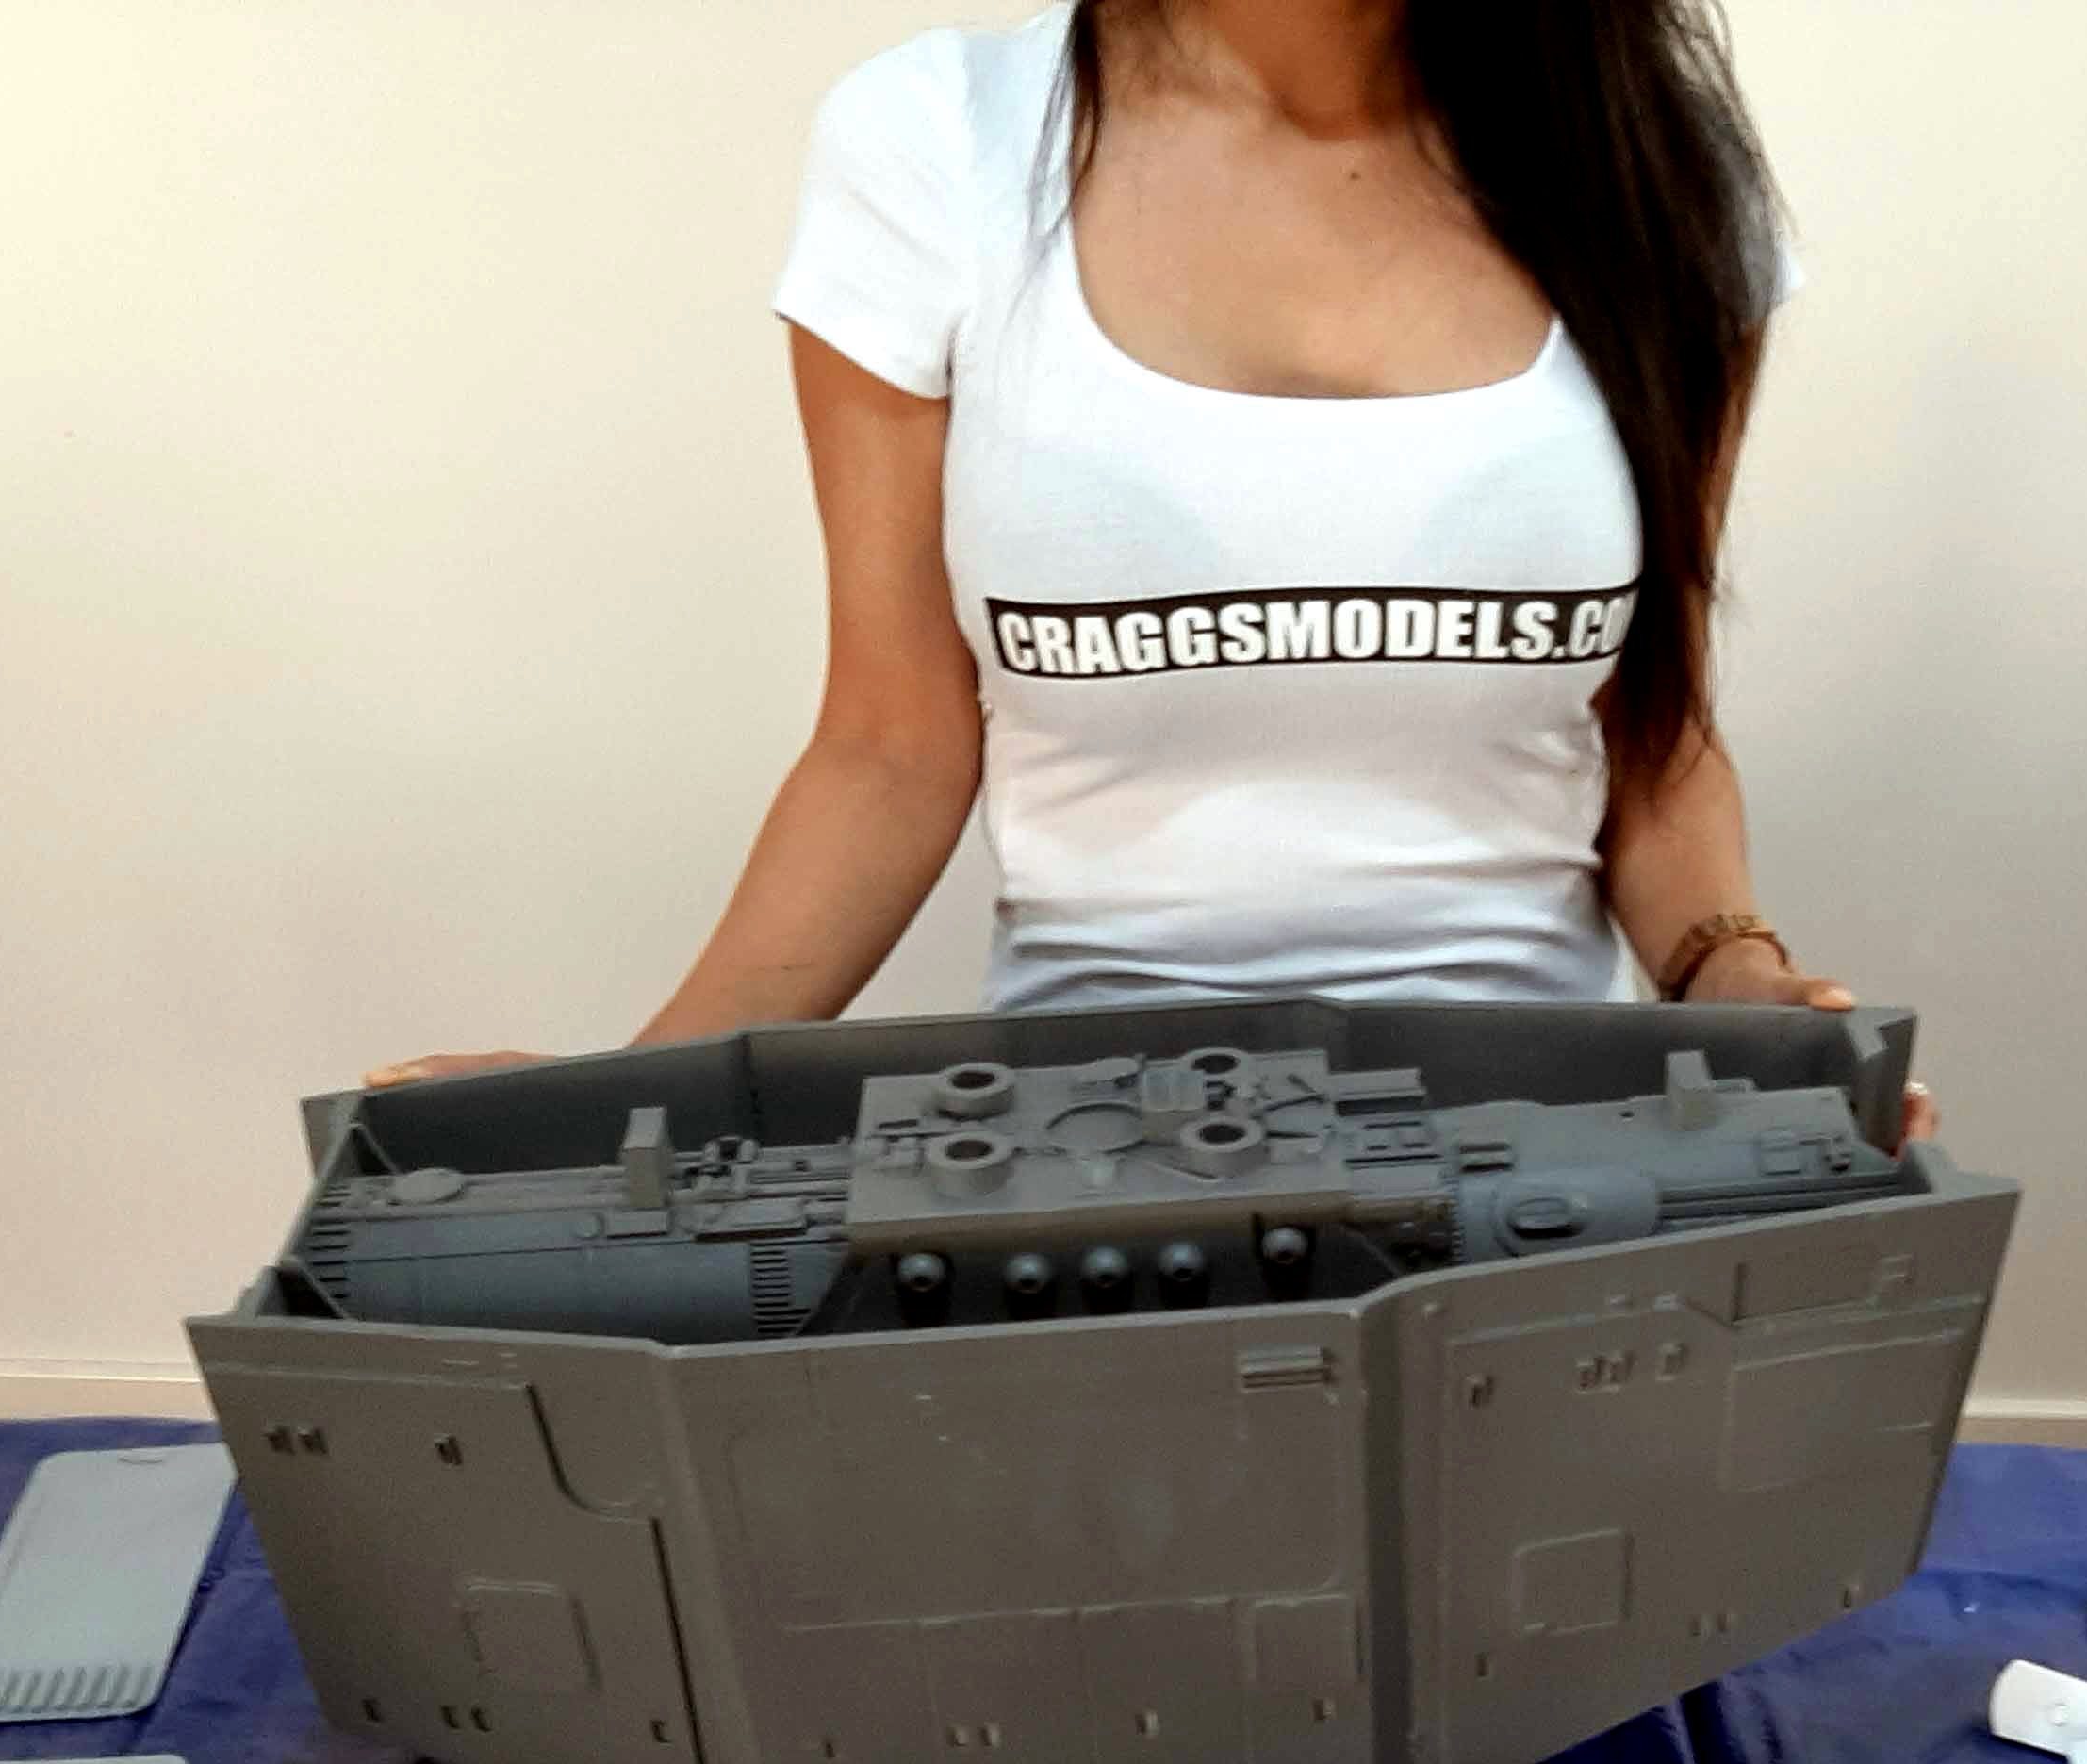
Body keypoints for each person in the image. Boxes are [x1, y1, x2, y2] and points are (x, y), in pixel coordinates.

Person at [375, 0, 1930, 1136]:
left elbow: (1653, 731)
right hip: (1079, 1161)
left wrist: (1735, 977)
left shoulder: (1652, 167)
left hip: (1548, 1146)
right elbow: (892, 747)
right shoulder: (938, 143)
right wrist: (623, 1109)